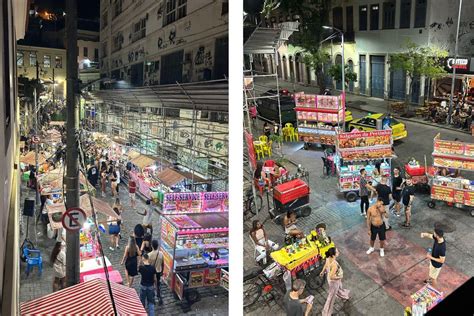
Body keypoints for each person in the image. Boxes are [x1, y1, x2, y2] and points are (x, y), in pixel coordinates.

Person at [320, 247, 350, 316]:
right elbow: (331, 276)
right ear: (333, 255)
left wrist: (322, 271)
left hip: (331, 280)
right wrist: (340, 277)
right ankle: (326, 313)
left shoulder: (328, 258)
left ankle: (344, 296)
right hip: (334, 282)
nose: (338, 252)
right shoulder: (334, 265)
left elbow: (326, 265)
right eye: (337, 252)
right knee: (331, 297)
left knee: (339, 288)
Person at [148, 240, 164, 305]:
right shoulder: (161, 254)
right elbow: (163, 264)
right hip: (158, 271)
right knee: (158, 284)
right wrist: (162, 271)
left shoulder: (149, 255)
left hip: (151, 272)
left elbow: (148, 265)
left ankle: (152, 298)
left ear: (151, 246)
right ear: (157, 246)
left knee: (151, 285)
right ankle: (159, 296)